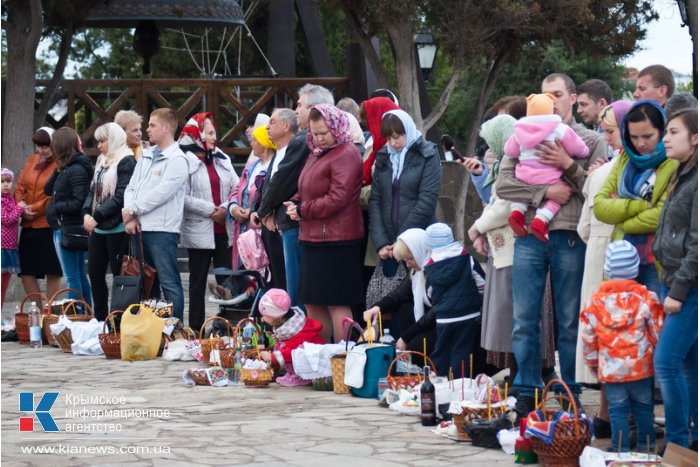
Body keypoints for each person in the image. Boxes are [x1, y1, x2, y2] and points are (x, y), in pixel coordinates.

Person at [495, 73, 608, 418]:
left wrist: (568, 165)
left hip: (570, 234)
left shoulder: (590, 139)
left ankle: (570, 390)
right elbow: (503, 184)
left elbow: (596, 188)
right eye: (546, 95)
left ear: (573, 98)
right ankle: (527, 388)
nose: (552, 100)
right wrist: (544, 192)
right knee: (524, 317)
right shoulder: (524, 132)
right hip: (530, 233)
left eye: (558, 94)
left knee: (569, 319)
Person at [575, 100, 633, 437]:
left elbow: (584, 227)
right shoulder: (613, 171)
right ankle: (613, 416)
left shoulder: (601, 173)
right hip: (618, 255)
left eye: (610, 131)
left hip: (598, 254)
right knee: (618, 337)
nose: (606, 137)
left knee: (605, 336)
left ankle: (605, 416)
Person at [284, 104, 364, 343]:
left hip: (337, 240)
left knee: (336, 301)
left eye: (323, 133)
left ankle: (342, 360)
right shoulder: (316, 153)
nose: (318, 138)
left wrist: (303, 209)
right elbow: (306, 186)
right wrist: (295, 202)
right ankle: (318, 360)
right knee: (312, 300)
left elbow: (338, 197)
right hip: (312, 237)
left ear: (336, 128)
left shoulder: (347, 153)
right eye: (314, 133)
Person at [580, 240, 663, 452]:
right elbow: (656, 331)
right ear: (636, 269)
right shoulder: (646, 298)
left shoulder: (595, 302)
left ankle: (620, 449)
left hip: (611, 369)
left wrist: (592, 361)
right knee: (644, 408)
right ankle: (647, 447)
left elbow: (588, 337)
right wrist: (656, 355)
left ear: (607, 271)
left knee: (617, 410)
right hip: (641, 368)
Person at [593, 100, 679, 296]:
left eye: (648, 136)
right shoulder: (624, 159)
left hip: (657, 262)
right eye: (634, 137)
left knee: (656, 322)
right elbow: (600, 206)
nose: (640, 143)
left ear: (662, 131)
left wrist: (623, 220)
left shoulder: (673, 161)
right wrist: (641, 206)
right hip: (621, 263)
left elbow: (662, 215)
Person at [652, 108, 698, 450]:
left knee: (666, 362)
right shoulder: (681, 172)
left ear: (695, 138)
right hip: (674, 280)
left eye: (673, 132)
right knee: (686, 364)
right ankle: (692, 441)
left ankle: (679, 443)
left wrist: (679, 290)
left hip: (689, 286)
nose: (665, 138)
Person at [123, 108, 188, 322]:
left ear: (166, 128)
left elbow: (160, 194)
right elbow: (132, 187)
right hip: (140, 226)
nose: (147, 130)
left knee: (169, 282)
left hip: (162, 230)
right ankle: (149, 327)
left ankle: (174, 329)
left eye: (152, 125)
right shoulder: (146, 154)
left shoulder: (177, 159)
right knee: (146, 282)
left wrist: (133, 210)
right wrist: (129, 212)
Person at [178, 112, 238, 331]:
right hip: (200, 231)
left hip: (224, 229)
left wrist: (224, 207)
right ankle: (196, 328)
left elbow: (236, 186)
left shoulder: (221, 157)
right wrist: (211, 209)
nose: (214, 138)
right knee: (197, 283)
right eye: (210, 133)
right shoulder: (184, 160)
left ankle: (227, 324)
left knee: (227, 281)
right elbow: (182, 196)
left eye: (214, 133)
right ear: (198, 135)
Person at [504, 93, 590, 242]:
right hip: (549, 177)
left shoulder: (519, 129)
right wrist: (584, 152)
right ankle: (541, 219)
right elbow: (578, 147)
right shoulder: (559, 128)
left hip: (524, 174)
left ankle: (517, 212)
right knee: (562, 191)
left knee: (522, 190)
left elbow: (509, 151)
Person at [368, 109, 441, 267]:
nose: (393, 143)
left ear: (407, 130)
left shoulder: (427, 154)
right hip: (389, 247)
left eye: (397, 136)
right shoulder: (384, 156)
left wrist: (402, 240)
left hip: (419, 242)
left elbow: (427, 201)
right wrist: (380, 242)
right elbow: (375, 200)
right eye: (388, 138)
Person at [253, 108, 309, 302]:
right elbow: (267, 184)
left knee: (291, 280)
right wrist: (263, 212)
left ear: (286, 126)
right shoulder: (279, 152)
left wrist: (264, 212)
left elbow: (282, 185)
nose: (267, 127)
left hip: (287, 222)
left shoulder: (295, 148)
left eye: (273, 122)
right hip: (273, 221)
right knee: (277, 277)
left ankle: (294, 323)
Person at [82, 122, 136, 320]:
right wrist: (87, 213)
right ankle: (100, 318)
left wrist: (96, 216)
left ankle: (118, 320)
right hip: (98, 229)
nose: (99, 146)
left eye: (102, 141)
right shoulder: (101, 160)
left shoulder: (127, 160)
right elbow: (92, 190)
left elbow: (121, 195)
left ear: (113, 140)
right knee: (95, 274)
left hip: (117, 228)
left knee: (118, 277)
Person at [423, 223, 484, 377]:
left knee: (441, 349)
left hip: (444, 317)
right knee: (462, 351)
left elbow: (429, 293)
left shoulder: (431, 267)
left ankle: (438, 381)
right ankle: (460, 384)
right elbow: (482, 283)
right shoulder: (467, 260)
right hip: (468, 314)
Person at [363, 228, 436, 355]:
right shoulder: (417, 271)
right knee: (404, 309)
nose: (407, 265)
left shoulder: (436, 272)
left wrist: (405, 337)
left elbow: (433, 315)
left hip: (440, 324)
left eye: (410, 259)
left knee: (414, 348)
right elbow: (399, 294)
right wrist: (377, 307)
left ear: (420, 251)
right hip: (428, 323)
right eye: (405, 261)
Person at [45, 127, 94, 307]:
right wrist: (57, 168)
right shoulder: (67, 168)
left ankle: (79, 316)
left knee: (73, 277)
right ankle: (87, 314)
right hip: (65, 227)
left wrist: (56, 207)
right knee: (79, 275)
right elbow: (47, 190)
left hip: (69, 228)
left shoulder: (77, 170)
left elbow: (79, 201)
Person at [14, 127, 62, 301]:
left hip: (48, 224)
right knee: (25, 270)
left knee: (52, 270)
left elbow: (53, 195)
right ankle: (38, 314)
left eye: (45, 147)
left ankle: (50, 316)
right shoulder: (32, 159)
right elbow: (20, 186)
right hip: (28, 224)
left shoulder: (59, 163)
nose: (40, 151)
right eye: (38, 146)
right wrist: (20, 205)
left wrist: (32, 209)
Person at [228, 125, 276, 269]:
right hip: (242, 227)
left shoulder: (273, 167)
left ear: (264, 143)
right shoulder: (251, 167)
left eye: (255, 140)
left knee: (260, 269)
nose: (251, 143)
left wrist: (254, 210)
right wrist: (234, 208)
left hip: (259, 226)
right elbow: (236, 190)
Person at [258, 288, 324, 387]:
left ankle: (300, 377)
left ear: (277, 316)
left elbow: (290, 351)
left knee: (298, 350)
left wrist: (271, 357)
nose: (263, 318)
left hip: (312, 365)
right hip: (304, 360)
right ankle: (292, 374)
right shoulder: (290, 325)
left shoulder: (299, 331)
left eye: (265, 316)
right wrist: (278, 344)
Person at [1, 168, 23, 308]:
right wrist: (20, 208)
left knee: (4, 285)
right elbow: (7, 219)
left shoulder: (11, 199)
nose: (5, 185)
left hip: (10, 247)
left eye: (8, 181)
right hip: (1, 248)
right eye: (2, 182)